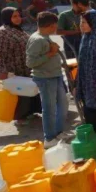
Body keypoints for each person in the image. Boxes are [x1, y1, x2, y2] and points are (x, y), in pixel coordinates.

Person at [26, 12, 70, 148]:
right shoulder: (37, 39)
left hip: (55, 75)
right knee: (49, 109)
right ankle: (49, 138)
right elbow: (30, 62)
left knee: (62, 104)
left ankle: (58, 132)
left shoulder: (44, 37)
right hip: (45, 78)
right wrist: (50, 54)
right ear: (51, 25)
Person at [0, 8, 40, 120]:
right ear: (7, 17)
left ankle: (30, 114)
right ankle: (20, 118)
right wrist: (2, 72)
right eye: (14, 16)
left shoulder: (18, 29)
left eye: (19, 16)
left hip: (25, 68)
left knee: (28, 91)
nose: (18, 18)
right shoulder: (2, 32)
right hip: (14, 70)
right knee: (19, 94)